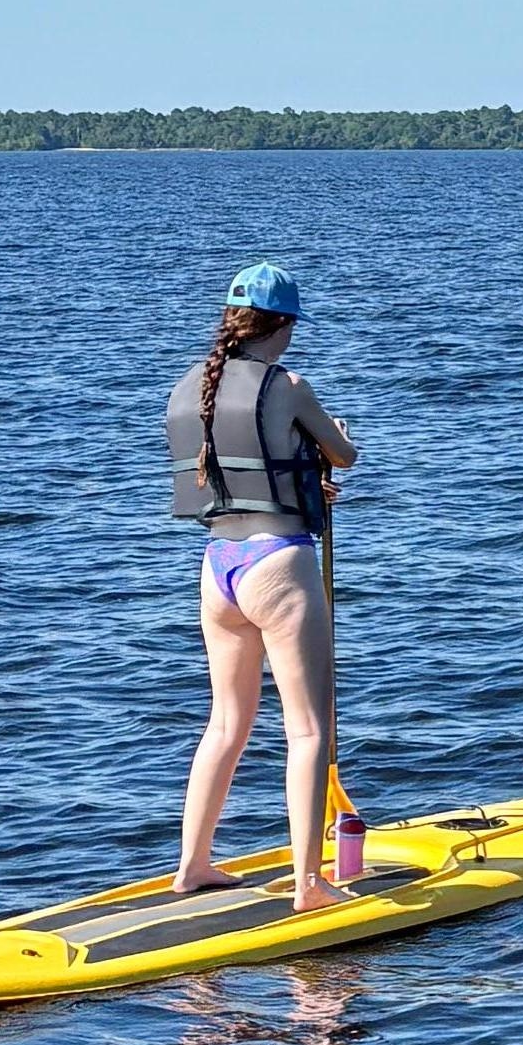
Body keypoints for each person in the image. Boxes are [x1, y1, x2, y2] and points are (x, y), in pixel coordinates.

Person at [165, 262, 359, 898]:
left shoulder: (193, 385)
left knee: (225, 724)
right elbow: (344, 454)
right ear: (282, 325)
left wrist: (304, 475)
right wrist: (332, 446)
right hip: (279, 565)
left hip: (219, 566)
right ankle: (310, 883)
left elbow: (246, 468)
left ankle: (192, 866)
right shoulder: (290, 385)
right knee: (308, 730)